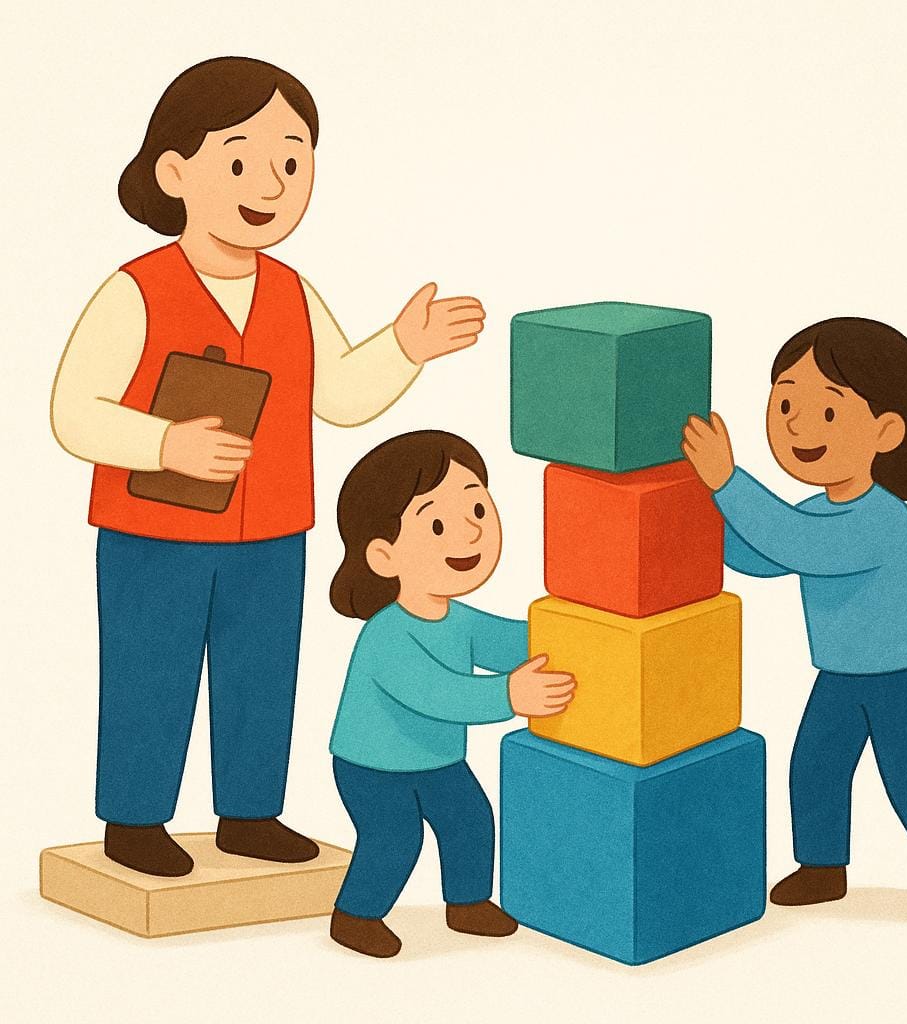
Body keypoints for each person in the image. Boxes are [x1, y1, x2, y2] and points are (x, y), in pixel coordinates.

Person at [50, 57, 487, 877]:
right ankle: (136, 820)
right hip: (155, 534)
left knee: (263, 675)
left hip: (274, 528)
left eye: (292, 160)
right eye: (242, 160)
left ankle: (249, 813)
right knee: (151, 674)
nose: (272, 183)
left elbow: (341, 395)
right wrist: (164, 444)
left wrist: (403, 348)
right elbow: (73, 413)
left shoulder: (291, 289)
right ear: (175, 171)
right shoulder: (135, 290)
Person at [681, 317, 907, 921]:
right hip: (844, 672)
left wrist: (728, 482)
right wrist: (699, 515)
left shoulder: (880, 518)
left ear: (886, 431)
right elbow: (766, 555)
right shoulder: (820, 507)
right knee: (815, 764)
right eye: (786, 402)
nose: (796, 424)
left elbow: (797, 545)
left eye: (826, 413)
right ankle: (823, 866)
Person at [327, 430, 576, 957]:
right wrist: (509, 695)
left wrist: (572, 628)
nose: (469, 533)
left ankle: (467, 903)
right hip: (370, 765)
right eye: (438, 524)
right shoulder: (387, 633)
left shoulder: (457, 618)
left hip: (437, 760)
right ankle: (355, 914)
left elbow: (514, 642)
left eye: (478, 511)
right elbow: (437, 694)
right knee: (395, 839)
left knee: (470, 820)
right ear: (383, 556)